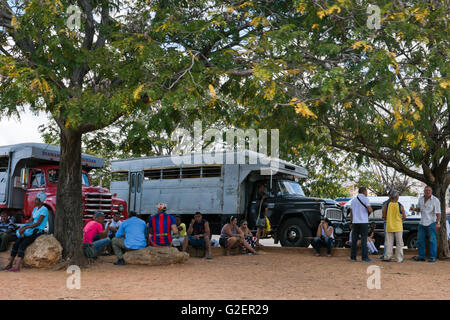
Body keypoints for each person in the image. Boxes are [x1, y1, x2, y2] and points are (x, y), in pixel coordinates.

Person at [3, 192, 48, 272]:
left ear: (40, 200)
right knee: (16, 244)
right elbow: (31, 220)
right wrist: (23, 227)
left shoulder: (44, 210)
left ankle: (17, 267)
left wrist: (25, 228)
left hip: (36, 231)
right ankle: (9, 265)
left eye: (36, 199)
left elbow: (38, 223)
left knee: (22, 245)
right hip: (30, 229)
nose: (35, 200)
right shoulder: (35, 209)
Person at [410, 186, 441, 262]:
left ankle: (433, 257)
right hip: (422, 222)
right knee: (420, 240)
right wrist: (414, 209)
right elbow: (420, 209)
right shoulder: (420, 199)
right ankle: (422, 256)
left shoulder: (435, 200)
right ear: (424, 191)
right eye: (426, 190)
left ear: (431, 191)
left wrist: (438, 223)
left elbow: (438, 213)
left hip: (431, 222)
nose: (427, 191)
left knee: (432, 240)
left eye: (429, 190)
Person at [349, 187, 373, 262]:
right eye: (366, 191)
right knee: (363, 240)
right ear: (364, 191)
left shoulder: (353, 200)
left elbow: (351, 213)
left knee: (354, 240)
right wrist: (370, 210)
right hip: (363, 222)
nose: (367, 193)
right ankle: (364, 258)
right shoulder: (365, 199)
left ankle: (353, 257)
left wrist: (351, 222)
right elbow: (370, 210)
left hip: (355, 222)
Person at [382, 190, 406, 262]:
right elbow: (404, 217)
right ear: (396, 197)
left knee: (388, 242)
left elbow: (384, 216)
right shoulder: (400, 205)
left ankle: (387, 257)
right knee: (399, 243)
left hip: (389, 225)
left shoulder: (387, 205)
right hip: (398, 226)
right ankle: (399, 258)